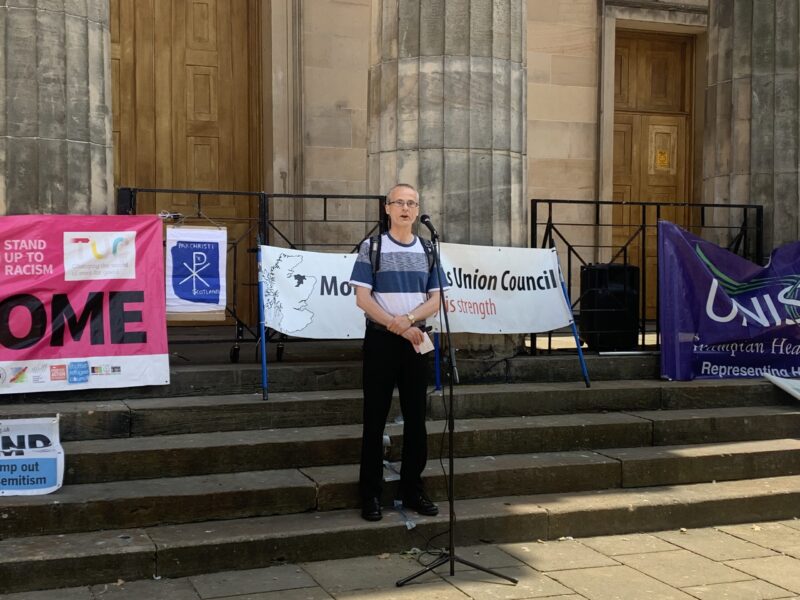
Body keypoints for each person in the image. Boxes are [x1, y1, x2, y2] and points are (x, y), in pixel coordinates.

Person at [349, 183, 448, 522]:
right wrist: (398, 326)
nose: (406, 208)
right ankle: (370, 494)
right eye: (399, 203)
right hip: (381, 341)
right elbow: (363, 299)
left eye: (412, 203)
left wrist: (407, 322)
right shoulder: (371, 247)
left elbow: (436, 299)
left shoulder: (429, 249)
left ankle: (412, 488)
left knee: (417, 419)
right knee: (374, 419)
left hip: (416, 341)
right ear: (388, 208)